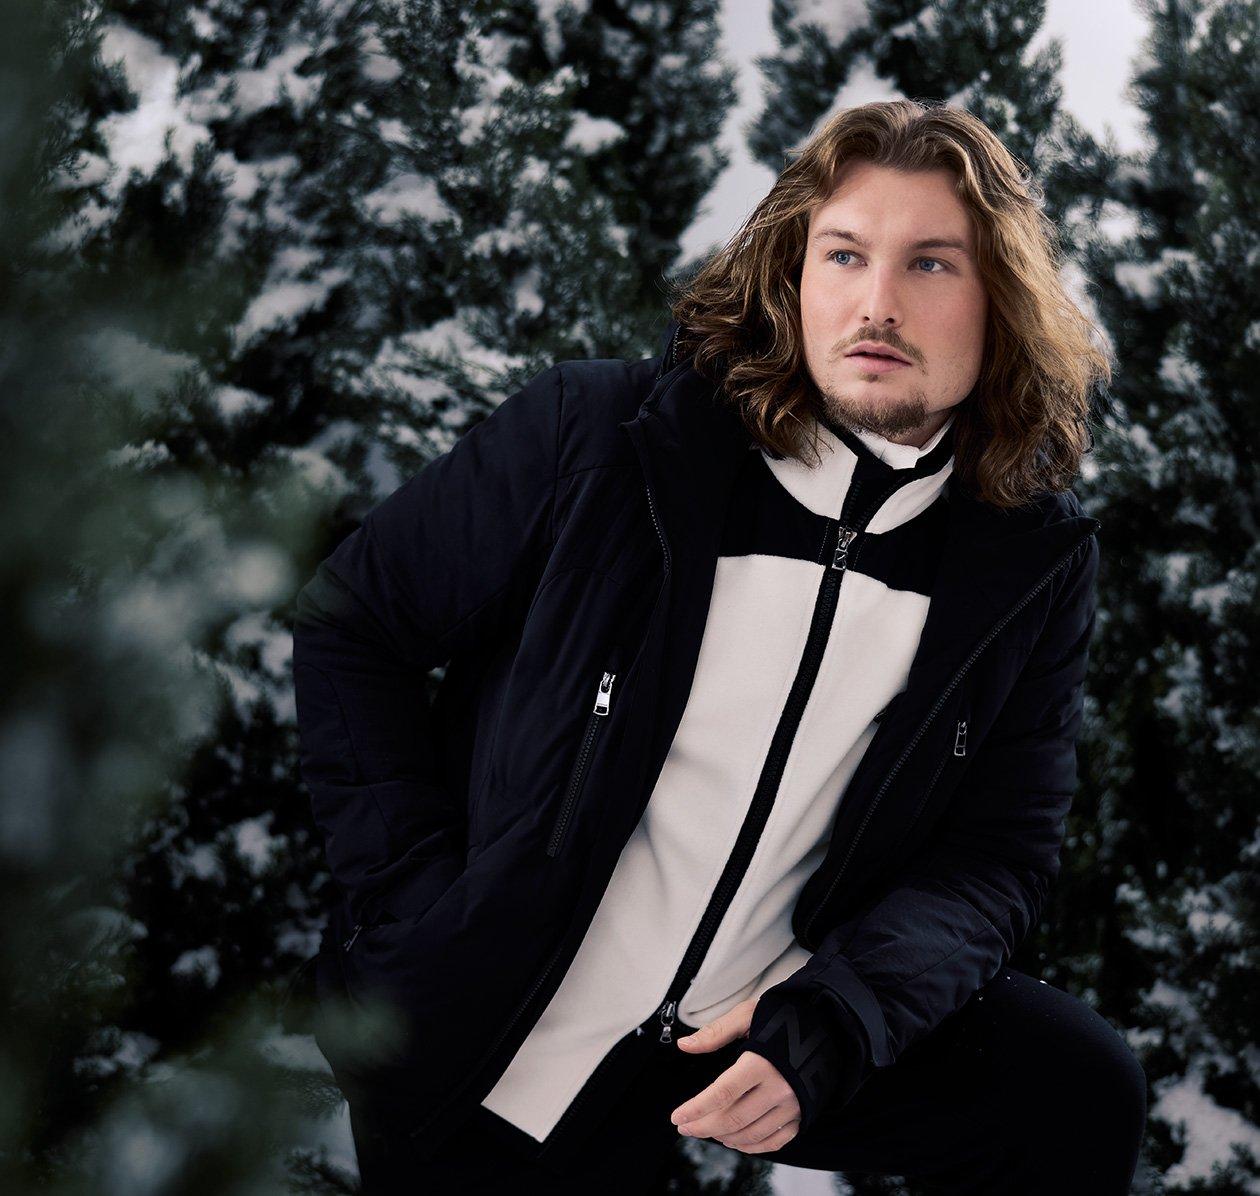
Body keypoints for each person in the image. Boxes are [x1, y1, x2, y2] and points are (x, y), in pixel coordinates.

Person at [291, 99, 1147, 1194]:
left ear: (1002, 304)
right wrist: (423, 908)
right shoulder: (604, 440)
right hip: (509, 1025)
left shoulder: (1022, 563)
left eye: (932, 264)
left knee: (1074, 1093)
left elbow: (995, 857)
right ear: (793, 274)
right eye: (844, 254)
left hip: (767, 1012)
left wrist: (837, 1014)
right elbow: (354, 626)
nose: (878, 302)